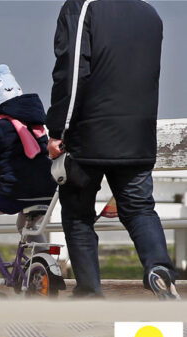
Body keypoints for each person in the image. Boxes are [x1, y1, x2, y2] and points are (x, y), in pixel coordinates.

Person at [46, 0, 180, 299]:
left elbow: (70, 72)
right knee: (140, 209)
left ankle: (89, 293)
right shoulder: (150, 13)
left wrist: (57, 130)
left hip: (88, 135)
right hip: (138, 135)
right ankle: (159, 269)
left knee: (78, 214)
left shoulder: (83, 7)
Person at [0, 64, 57, 278]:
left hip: (16, 191)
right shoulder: (37, 124)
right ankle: (41, 261)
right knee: (26, 224)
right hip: (47, 190)